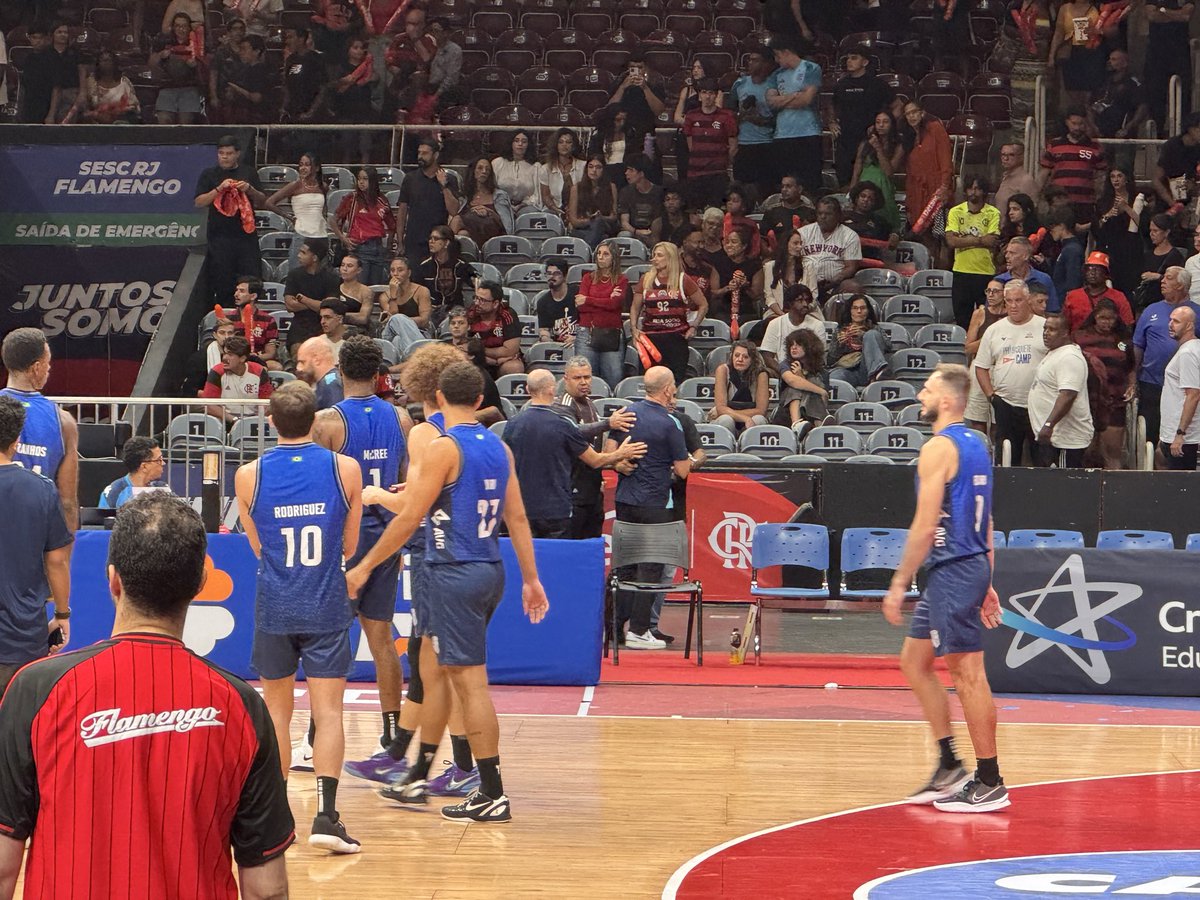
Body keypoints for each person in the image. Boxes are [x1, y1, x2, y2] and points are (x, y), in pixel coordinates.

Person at [0, 492, 293, 899]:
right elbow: (266, 889)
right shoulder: (242, 706)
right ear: (200, 583)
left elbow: (3, 865)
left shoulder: (36, 690)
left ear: (113, 580)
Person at [346, 361, 550, 821]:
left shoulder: (443, 447)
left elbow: (408, 518)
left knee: (470, 685)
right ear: (479, 400)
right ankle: (417, 773)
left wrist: (364, 567)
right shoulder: (499, 446)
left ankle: (490, 791)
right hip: (490, 568)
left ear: (438, 398)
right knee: (435, 671)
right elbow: (517, 518)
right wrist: (532, 579)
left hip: (452, 571)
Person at [234, 381, 364, 852]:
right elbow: (350, 546)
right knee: (328, 713)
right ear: (315, 420)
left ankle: (277, 817)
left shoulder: (248, 475)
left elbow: (257, 546)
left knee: (276, 713)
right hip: (326, 603)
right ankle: (326, 817)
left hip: (276, 604)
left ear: (270, 421)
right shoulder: (345, 468)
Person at [883, 363, 1008, 814]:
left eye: (927, 389)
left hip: (953, 568)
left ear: (948, 400)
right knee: (914, 662)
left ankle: (990, 780)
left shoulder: (938, 448)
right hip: (962, 568)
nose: (921, 395)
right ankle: (950, 764)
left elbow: (923, 525)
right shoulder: (977, 443)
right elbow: (987, 520)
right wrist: (987, 580)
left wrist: (899, 582)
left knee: (968, 674)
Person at [311, 336, 413, 774]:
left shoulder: (327, 422)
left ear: (339, 371)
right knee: (382, 638)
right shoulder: (402, 418)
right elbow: (404, 483)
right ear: (378, 374)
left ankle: (317, 736)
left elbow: (319, 488)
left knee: (330, 639)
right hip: (386, 537)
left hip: (345, 541)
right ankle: (391, 734)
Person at [605, 366, 691, 650]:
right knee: (650, 568)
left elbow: (609, 454)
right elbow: (683, 470)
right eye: (674, 384)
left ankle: (613, 628)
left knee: (624, 568)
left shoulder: (626, 414)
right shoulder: (670, 423)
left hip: (625, 502)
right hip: (656, 504)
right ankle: (639, 631)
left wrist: (620, 464)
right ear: (668, 390)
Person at [504, 369, 645, 538]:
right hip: (556, 510)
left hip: (522, 507)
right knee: (562, 554)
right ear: (552, 389)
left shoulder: (512, 424)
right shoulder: (563, 425)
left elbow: (504, 464)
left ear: (527, 389)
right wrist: (620, 453)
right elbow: (595, 461)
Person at [0, 394, 71, 694]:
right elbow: (57, 561)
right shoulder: (42, 490)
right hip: (22, 639)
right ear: (17, 440)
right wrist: (62, 614)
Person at [0, 328, 79, 531]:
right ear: (36, 368)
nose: (49, 368)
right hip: (36, 530)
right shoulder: (63, 420)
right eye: (48, 362)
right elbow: (68, 501)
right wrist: (68, 547)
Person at [557, 356, 638, 539]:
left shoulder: (590, 404)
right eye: (577, 378)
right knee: (572, 546)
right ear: (566, 379)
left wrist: (611, 465)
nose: (583, 382)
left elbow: (595, 446)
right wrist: (608, 423)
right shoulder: (564, 404)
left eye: (587, 377)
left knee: (592, 545)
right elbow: (572, 431)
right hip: (572, 491)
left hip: (592, 490)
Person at [975, 279, 1048, 465]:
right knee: (1006, 458)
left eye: (1018, 300)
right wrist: (992, 396)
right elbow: (981, 366)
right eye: (1009, 301)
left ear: (1028, 300)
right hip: (1005, 403)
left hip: (1039, 404)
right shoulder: (993, 330)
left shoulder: (1045, 326)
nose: (1013, 306)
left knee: (1042, 459)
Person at [1132, 266, 1200, 451]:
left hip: (1185, 388)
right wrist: (1133, 379)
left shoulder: (1196, 313)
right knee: (1149, 436)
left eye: (1168, 278)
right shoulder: (1151, 310)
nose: (1162, 281)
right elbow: (1138, 345)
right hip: (1151, 383)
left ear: (1181, 285)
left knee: (1178, 440)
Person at [194, 136, 267, 310]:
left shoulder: (249, 172)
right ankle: (226, 316)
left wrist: (249, 189)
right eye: (221, 153)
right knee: (223, 282)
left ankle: (251, 315)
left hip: (246, 237)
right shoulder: (209, 174)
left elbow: (262, 200)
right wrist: (219, 189)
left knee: (251, 280)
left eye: (229, 153)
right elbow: (199, 202)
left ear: (237, 154)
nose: (225, 157)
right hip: (220, 238)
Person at [629, 242, 709, 382]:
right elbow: (635, 307)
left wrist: (694, 326)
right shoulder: (646, 279)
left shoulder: (683, 280)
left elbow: (703, 304)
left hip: (676, 339)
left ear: (670, 257)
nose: (654, 259)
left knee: (674, 383)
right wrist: (634, 328)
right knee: (651, 382)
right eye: (654, 255)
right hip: (651, 339)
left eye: (659, 255)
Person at [1074, 297, 1136, 469]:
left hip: (1114, 401)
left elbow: (1131, 368)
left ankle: (1115, 484)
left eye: (1111, 318)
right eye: (1102, 317)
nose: (1106, 322)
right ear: (1095, 316)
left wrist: (1132, 386)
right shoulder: (1080, 338)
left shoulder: (1124, 341)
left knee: (1112, 453)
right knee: (1085, 454)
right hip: (1087, 401)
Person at [1027, 313, 1094, 468]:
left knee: (1064, 481)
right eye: (1045, 328)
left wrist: (1048, 425)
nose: (1046, 333)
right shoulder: (1055, 352)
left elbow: (1068, 395)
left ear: (1065, 333)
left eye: (1052, 329)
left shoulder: (1069, 357)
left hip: (1066, 440)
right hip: (1053, 438)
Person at [830, 44, 896, 189]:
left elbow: (897, 106)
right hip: (845, 141)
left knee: (869, 183)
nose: (849, 61)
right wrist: (832, 122)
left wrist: (885, 126)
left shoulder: (877, 84)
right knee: (845, 182)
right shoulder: (841, 85)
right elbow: (832, 106)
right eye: (848, 58)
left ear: (865, 62)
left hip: (869, 141)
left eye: (854, 58)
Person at [767, 35, 823, 195]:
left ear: (786, 52)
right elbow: (771, 102)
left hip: (808, 133)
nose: (776, 60)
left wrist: (782, 99)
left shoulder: (811, 68)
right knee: (784, 183)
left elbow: (806, 100)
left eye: (777, 55)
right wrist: (794, 95)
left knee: (809, 183)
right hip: (782, 135)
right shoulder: (776, 74)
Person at [1038, 109, 1107, 231]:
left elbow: (1101, 176)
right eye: (1074, 123)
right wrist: (1037, 196)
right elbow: (1043, 174)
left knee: (1082, 235)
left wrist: (1098, 197)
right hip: (1059, 203)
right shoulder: (1054, 145)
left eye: (1081, 124)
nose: (1077, 127)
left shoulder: (1095, 147)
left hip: (1085, 203)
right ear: (1067, 122)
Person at [946, 177, 1001, 329]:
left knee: (987, 319)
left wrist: (964, 239)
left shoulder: (993, 213)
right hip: (961, 271)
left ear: (984, 191)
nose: (973, 192)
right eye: (970, 188)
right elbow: (951, 242)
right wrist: (980, 240)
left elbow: (992, 241)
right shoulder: (955, 212)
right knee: (962, 319)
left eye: (977, 188)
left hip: (985, 272)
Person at [396, 137, 461, 263]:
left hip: (438, 240)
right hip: (414, 240)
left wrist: (444, 186)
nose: (420, 156)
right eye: (419, 153)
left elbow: (453, 210)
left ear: (435, 155)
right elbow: (402, 211)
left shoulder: (449, 179)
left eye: (425, 153)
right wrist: (399, 241)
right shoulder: (410, 178)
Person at [902, 100, 953, 258]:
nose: (911, 116)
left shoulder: (935, 128)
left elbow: (946, 161)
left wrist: (944, 187)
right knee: (923, 236)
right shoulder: (908, 137)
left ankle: (940, 270)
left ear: (922, 113)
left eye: (914, 112)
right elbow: (909, 173)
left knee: (941, 238)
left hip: (937, 191)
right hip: (916, 193)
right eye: (908, 114)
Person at [727, 46, 779, 202]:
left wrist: (760, 119)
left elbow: (780, 117)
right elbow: (729, 114)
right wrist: (742, 116)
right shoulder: (740, 84)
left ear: (766, 63)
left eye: (755, 60)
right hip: (744, 144)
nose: (750, 63)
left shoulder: (774, 85)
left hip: (767, 144)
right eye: (749, 60)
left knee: (766, 188)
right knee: (742, 189)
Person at [264, 151, 329, 274]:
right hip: (302, 235)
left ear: (316, 168)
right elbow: (269, 203)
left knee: (320, 274)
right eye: (301, 164)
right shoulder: (295, 185)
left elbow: (324, 208)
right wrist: (289, 217)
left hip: (321, 236)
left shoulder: (323, 186)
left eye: (307, 165)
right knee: (297, 274)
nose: (303, 168)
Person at [330, 166, 396, 287]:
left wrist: (388, 247)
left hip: (378, 248)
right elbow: (333, 220)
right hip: (359, 248)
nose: (361, 182)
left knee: (375, 289)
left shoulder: (382, 200)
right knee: (359, 288)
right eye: (359, 179)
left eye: (365, 179)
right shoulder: (352, 198)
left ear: (373, 180)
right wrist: (343, 239)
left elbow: (392, 225)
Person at [575, 240, 628, 388]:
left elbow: (614, 305)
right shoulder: (588, 278)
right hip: (586, 332)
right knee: (584, 379)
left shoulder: (621, 280)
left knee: (613, 379)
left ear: (614, 257)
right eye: (598, 253)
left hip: (611, 334)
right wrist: (607, 299)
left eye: (605, 254)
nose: (600, 257)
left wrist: (589, 300)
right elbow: (580, 306)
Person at [681, 78, 738, 211]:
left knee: (716, 212)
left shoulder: (727, 116)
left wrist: (722, 162)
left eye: (711, 93)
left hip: (717, 174)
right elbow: (690, 145)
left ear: (716, 95)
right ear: (699, 95)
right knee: (695, 211)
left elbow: (733, 146)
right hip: (695, 174)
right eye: (704, 92)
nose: (707, 96)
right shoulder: (691, 116)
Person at [1091, 166, 1145, 301]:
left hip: (1131, 249)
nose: (1116, 180)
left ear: (1126, 179)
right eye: (1112, 176)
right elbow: (1095, 228)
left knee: (1128, 287)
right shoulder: (1103, 201)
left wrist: (1126, 208)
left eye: (1119, 176)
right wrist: (1108, 215)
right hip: (1110, 248)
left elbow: (1144, 224)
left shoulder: (1136, 199)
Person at [850, 110, 905, 235]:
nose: (881, 125)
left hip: (884, 187)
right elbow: (857, 167)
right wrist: (852, 190)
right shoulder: (865, 143)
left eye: (885, 122)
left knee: (883, 224)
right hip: (864, 184)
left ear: (892, 124)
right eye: (878, 122)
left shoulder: (898, 145)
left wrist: (878, 148)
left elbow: (889, 171)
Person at [1159, 305, 1200, 470]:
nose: (1170, 324)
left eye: (1176, 321)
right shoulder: (1192, 348)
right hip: (1176, 432)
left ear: (1189, 325)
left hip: (1183, 437)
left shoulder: (1187, 353)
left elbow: (1193, 394)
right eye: (1170, 320)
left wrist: (1180, 434)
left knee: (1179, 482)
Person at [964, 280, 1009, 432]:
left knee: (999, 418)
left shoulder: (1011, 316)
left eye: (995, 291)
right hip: (981, 364)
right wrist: (990, 338)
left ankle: (997, 446)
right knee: (978, 415)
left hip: (1002, 364)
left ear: (1004, 294)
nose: (991, 295)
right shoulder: (980, 314)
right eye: (988, 291)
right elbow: (968, 348)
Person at [799, 197, 862, 303]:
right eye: (820, 213)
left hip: (834, 285)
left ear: (838, 215)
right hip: (804, 282)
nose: (823, 217)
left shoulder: (850, 236)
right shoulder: (803, 233)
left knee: (853, 287)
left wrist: (836, 279)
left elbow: (851, 267)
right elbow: (791, 260)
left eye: (828, 214)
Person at [284, 237, 340, 354]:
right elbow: (290, 305)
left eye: (303, 253)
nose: (298, 255)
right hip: (299, 325)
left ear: (314, 258)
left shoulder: (331, 278)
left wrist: (303, 300)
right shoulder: (294, 275)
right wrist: (318, 304)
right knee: (299, 352)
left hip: (323, 325)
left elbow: (330, 308)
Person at [1144, 0, 1194, 133]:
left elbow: (1186, 16)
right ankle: (1157, 133)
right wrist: (1176, 14)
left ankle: (1181, 132)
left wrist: (1163, 11)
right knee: (1155, 93)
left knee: (1183, 94)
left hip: (1180, 51)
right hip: (1156, 51)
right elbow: (1152, 16)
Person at [1047, 0, 1106, 112]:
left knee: (1089, 92)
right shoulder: (1065, 8)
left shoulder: (1097, 7)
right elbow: (1058, 33)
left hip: (1091, 52)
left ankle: (1088, 117)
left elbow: (1110, 29)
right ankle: (1073, 116)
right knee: (1071, 90)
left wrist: (1098, 31)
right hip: (1071, 51)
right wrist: (1051, 56)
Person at [203, 335, 274, 424]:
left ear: (242, 358)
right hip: (226, 420)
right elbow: (209, 405)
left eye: (230, 355)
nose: (224, 358)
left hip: (254, 421)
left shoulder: (259, 371)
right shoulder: (216, 372)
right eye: (224, 353)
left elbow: (267, 402)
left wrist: (254, 421)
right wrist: (234, 420)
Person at [415, 225, 476, 327]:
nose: (431, 242)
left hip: (455, 311)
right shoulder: (424, 266)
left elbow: (477, 282)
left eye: (435, 239)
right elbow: (416, 291)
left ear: (446, 242)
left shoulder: (461, 265)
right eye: (430, 238)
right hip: (431, 310)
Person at [775, 327, 830, 438]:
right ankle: (797, 424)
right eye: (791, 345)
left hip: (810, 412)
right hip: (786, 414)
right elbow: (791, 380)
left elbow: (824, 400)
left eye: (798, 345)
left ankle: (819, 424)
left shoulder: (821, 371)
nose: (793, 347)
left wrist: (801, 377)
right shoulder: (785, 364)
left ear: (809, 347)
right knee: (794, 387)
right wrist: (821, 391)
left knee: (813, 383)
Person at [760, 282, 825, 374]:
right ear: (790, 303)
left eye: (807, 300)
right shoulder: (775, 323)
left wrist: (800, 373)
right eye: (800, 300)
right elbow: (767, 356)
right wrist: (785, 372)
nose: (805, 304)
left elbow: (818, 357)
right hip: (781, 370)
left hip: (808, 372)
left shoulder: (818, 325)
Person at [1088, 49, 1148, 148]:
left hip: (1122, 136)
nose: (1109, 62)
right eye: (1109, 59)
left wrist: (1128, 128)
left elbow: (1142, 107)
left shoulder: (1133, 84)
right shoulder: (1103, 82)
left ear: (1124, 63)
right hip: (1100, 134)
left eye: (1114, 59)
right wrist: (1093, 126)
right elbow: (1090, 105)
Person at [1062, 251, 1134, 333]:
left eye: (1097, 269)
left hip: (1110, 340)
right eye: (1089, 269)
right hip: (1078, 340)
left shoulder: (1118, 297)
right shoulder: (1073, 296)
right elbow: (1064, 326)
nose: (1092, 272)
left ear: (1106, 274)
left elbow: (1128, 325)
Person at [450, 157, 515, 248]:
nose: (484, 171)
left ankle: (448, 250)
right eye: (480, 168)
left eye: (487, 169)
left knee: (457, 220)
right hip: (472, 231)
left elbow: (507, 225)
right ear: (473, 171)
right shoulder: (466, 195)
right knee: (462, 234)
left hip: (492, 230)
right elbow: (454, 211)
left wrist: (489, 212)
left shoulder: (499, 195)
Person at [827, 293, 890, 387]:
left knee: (871, 334)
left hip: (867, 369)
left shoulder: (875, 328)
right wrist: (839, 345)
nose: (859, 311)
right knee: (834, 377)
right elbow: (830, 361)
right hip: (847, 370)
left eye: (863, 308)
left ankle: (876, 374)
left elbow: (888, 346)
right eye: (855, 308)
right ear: (850, 311)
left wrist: (863, 336)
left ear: (868, 311)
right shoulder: (840, 330)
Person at [710, 341, 769, 433]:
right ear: (731, 356)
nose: (740, 359)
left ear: (752, 359)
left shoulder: (761, 374)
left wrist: (732, 413)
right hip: (729, 416)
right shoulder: (723, 370)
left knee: (759, 419)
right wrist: (745, 418)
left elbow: (761, 410)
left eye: (745, 357)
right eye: (736, 355)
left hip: (748, 416)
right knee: (726, 420)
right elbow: (721, 408)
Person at [707, 227, 763, 326]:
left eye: (734, 242)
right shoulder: (719, 263)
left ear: (744, 246)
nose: (729, 245)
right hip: (723, 310)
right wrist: (728, 288)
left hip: (746, 311)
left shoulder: (754, 265)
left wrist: (745, 286)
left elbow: (756, 295)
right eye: (727, 242)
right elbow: (713, 293)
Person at [996, 236, 1059, 313]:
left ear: (1025, 256)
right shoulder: (998, 281)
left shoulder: (1044, 279)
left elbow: (1053, 311)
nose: (1007, 256)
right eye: (1006, 252)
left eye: (1012, 253)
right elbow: (991, 312)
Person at [231, 275, 282, 369]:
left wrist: (253, 358)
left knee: (276, 367)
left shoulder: (268, 320)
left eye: (241, 291)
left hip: (258, 359)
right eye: (236, 290)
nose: (236, 294)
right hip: (233, 360)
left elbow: (270, 353)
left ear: (253, 296)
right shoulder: (228, 318)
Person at [98, 437, 166, 508]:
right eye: (159, 460)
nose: (163, 463)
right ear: (144, 466)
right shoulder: (114, 494)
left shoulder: (162, 488)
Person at [1138, 214, 1187, 312]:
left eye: (1155, 231)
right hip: (1145, 303)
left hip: (1166, 303)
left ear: (1166, 232)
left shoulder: (1175, 256)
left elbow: (1179, 280)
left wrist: (1158, 277)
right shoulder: (1147, 254)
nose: (1152, 234)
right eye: (1150, 230)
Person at [1152, 113, 1200, 211]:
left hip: (1188, 199)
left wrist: (1193, 185)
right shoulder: (1172, 146)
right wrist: (1172, 203)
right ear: (1190, 129)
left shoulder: (1197, 148)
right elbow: (1156, 179)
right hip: (1167, 200)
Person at [568, 155, 619, 248]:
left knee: (598, 223)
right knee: (599, 235)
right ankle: (592, 249)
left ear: (604, 170)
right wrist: (590, 220)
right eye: (591, 167)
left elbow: (614, 216)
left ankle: (587, 251)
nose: (594, 170)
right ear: (586, 169)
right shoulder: (576, 188)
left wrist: (601, 218)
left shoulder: (611, 187)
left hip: (604, 225)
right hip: (583, 228)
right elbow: (574, 220)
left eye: (598, 167)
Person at [380, 256, 432, 344]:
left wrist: (403, 322)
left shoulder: (422, 291)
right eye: (392, 270)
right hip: (392, 334)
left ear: (409, 273)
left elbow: (424, 321)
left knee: (398, 339)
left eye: (400, 270)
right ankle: (419, 350)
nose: (395, 274)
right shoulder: (384, 296)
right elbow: (392, 318)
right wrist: (393, 296)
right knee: (396, 319)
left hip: (418, 332)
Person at [539, 128, 587, 222]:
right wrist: (556, 209)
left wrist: (573, 210)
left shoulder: (583, 166)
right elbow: (546, 196)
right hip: (553, 209)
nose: (564, 145)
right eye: (561, 142)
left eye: (568, 142)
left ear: (574, 146)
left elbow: (587, 192)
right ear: (555, 145)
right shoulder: (545, 169)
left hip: (579, 209)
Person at [81, 50, 140, 123]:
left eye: (109, 60)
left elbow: (134, 107)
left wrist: (117, 112)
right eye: (102, 60)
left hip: (122, 121)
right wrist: (96, 115)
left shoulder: (125, 82)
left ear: (114, 63)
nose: (106, 62)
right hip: (96, 122)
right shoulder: (91, 82)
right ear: (98, 64)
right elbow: (84, 109)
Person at [759, 175, 818, 247]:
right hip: (778, 251)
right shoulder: (772, 212)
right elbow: (763, 238)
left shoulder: (810, 212)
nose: (784, 189)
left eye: (788, 186)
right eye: (782, 186)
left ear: (799, 189)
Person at [618, 155, 665, 247]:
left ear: (641, 173)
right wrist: (636, 232)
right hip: (632, 232)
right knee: (624, 235)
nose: (626, 173)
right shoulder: (625, 191)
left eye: (631, 170)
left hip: (651, 232)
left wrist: (649, 236)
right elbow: (624, 223)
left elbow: (658, 221)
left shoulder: (658, 192)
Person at [493, 130, 543, 213]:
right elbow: (491, 188)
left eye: (524, 142)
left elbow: (538, 194)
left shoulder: (536, 166)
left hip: (526, 206)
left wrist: (521, 205)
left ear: (528, 145)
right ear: (511, 143)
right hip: (501, 204)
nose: (520, 144)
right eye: (516, 141)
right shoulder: (498, 163)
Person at [1045, 209, 1085, 300]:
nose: (1050, 231)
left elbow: (1073, 283)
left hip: (1065, 301)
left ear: (1062, 226)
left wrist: (1068, 302)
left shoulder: (1072, 249)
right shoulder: (1067, 248)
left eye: (1052, 227)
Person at [535, 256, 576, 345]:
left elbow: (590, 326)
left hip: (578, 343)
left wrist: (577, 339)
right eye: (549, 273)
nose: (551, 277)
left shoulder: (577, 294)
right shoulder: (543, 302)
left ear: (565, 276)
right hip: (556, 345)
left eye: (556, 273)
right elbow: (544, 330)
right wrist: (546, 339)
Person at [294, 335, 343, 409]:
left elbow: (334, 415)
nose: (298, 367)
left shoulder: (331, 385)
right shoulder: (328, 381)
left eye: (302, 362)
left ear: (316, 360)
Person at [993, 143, 1039, 216]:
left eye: (1011, 155)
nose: (1005, 159)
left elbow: (1031, 211)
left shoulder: (1026, 180)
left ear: (1021, 157)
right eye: (1003, 155)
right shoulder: (1005, 178)